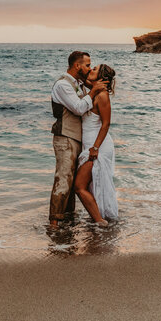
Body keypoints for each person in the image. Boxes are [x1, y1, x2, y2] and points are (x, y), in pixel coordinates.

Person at [49, 51, 107, 228]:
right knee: (63, 179)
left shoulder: (78, 84)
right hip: (65, 137)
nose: (90, 68)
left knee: (72, 181)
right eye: (87, 65)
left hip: (76, 138)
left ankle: (67, 219)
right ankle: (54, 224)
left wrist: (95, 84)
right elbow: (78, 108)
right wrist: (95, 90)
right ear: (77, 66)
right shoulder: (62, 85)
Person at [73, 63, 118, 225]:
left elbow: (106, 124)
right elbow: (82, 80)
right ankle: (99, 219)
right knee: (91, 186)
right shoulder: (94, 92)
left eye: (94, 69)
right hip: (91, 145)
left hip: (98, 146)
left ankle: (100, 222)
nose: (90, 70)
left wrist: (95, 148)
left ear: (101, 77)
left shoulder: (102, 96)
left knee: (79, 186)